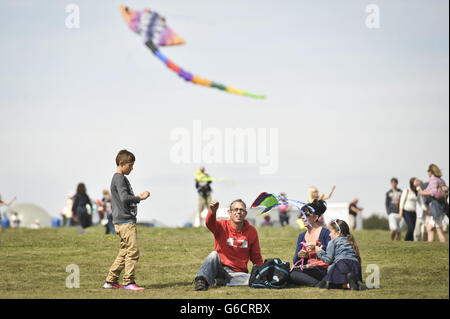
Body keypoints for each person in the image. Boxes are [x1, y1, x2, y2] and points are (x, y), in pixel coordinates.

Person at [104, 149, 150, 291]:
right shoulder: (120, 178)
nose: (132, 168)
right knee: (133, 251)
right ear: (122, 163)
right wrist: (139, 198)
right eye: (130, 165)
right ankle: (128, 282)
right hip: (125, 221)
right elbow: (124, 198)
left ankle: (110, 281)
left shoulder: (117, 178)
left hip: (120, 221)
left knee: (124, 252)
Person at [193, 199, 263, 291]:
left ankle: (223, 282)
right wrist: (212, 212)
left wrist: (262, 272)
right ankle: (201, 280)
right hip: (219, 269)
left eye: (241, 210)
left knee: (252, 279)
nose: (239, 212)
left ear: (245, 214)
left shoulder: (251, 231)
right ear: (230, 212)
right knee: (213, 255)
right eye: (236, 209)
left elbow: (256, 256)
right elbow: (209, 224)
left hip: (237, 273)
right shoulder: (222, 225)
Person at [289, 199, 332, 287]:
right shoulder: (301, 236)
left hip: (324, 269)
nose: (303, 217)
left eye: (307, 215)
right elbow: (295, 261)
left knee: (292, 275)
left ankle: (316, 283)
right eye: (302, 214)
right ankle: (317, 283)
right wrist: (300, 255)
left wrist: (316, 248)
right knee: (289, 272)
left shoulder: (325, 233)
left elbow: (331, 256)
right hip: (309, 269)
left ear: (316, 217)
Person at [316, 219, 365, 290]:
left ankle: (346, 284)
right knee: (346, 279)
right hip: (355, 265)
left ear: (338, 233)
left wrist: (319, 252)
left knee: (330, 285)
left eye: (330, 232)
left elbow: (328, 260)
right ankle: (356, 283)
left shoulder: (333, 242)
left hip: (342, 264)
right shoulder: (350, 240)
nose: (329, 234)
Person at [418, 164, 448, 243]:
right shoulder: (441, 180)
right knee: (429, 227)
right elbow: (429, 189)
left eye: (428, 171)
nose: (427, 172)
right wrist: (422, 191)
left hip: (436, 206)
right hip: (442, 206)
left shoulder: (433, 179)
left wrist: (422, 193)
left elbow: (433, 192)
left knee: (439, 229)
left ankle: (444, 247)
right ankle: (430, 245)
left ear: (431, 171)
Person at [398, 177, 424, 241]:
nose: (417, 182)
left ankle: (411, 242)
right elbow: (402, 201)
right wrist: (401, 212)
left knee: (413, 228)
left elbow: (421, 202)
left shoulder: (418, 191)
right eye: (416, 181)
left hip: (413, 212)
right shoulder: (407, 190)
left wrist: (426, 210)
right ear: (412, 182)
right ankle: (406, 240)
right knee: (411, 227)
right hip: (406, 211)